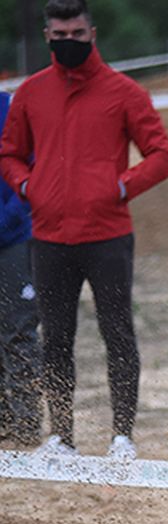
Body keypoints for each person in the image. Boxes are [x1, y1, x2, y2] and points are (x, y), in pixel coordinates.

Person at [0, 0, 168, 460]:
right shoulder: (31, 94)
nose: (69, 43)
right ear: (47, 37)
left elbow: (162, 154)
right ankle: (62, 437)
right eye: (60, 36)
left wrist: (120, 186)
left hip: (108, 235)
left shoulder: (124, 92)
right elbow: (9, 153)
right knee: (55, 339)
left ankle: (123, 436)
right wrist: (26, 184)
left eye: (77, 34)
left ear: (92, 33)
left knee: (117, 333)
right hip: (49, 236)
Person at [0, 90, 38, 447]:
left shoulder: (13, 108)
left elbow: (32, 169)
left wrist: (6, 219)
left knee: (18, 328)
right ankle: (3, 420)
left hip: (13, 237)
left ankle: (25, 424)